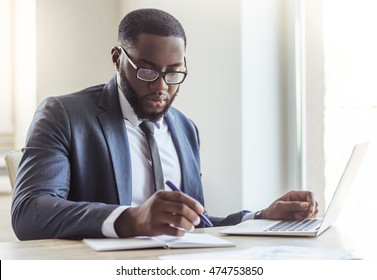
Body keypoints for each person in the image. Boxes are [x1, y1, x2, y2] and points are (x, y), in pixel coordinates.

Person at [11, 8, 318, 240]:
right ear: (118, 58)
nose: (161, 86)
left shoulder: (185, 129)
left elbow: (197, 223)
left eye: (174, 73)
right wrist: (131, 219)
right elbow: (29, 212)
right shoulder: (64, 114)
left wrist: (262, 217)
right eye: (147, 71)